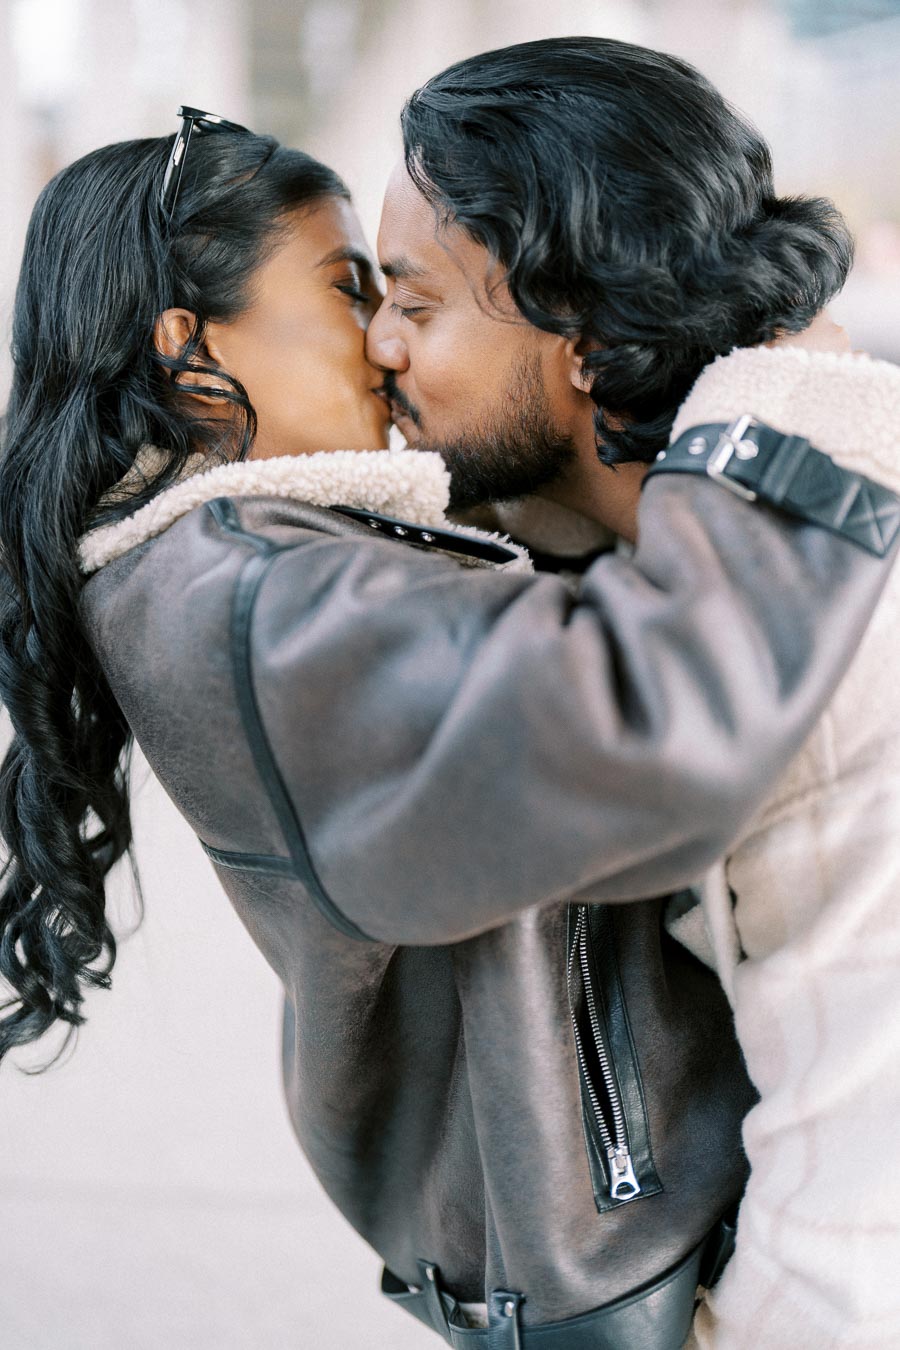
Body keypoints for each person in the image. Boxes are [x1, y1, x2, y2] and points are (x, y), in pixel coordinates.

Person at [0, 46, 894, 1350]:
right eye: (355, 290)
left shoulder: (263, 563)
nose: (379, 339)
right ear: (194, 353)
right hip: (647, 1266)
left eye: (404, 293)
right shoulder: (247, 595)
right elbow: (648, 718)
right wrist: (785, 420)